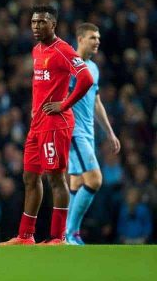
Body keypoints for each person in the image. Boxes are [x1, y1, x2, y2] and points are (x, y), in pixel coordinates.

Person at [0, 5, 94, 245]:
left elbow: (86, 78)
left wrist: (64, 104)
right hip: (37, 124)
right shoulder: (37, 50)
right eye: (33, 22)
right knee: (30, 178)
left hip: (56, 124)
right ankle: (25, 236)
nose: (36, 26)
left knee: (56, 179)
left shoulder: (63, 50)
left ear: (53, 24)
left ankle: (58, 238)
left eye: (41, 22)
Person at [65, 23, 121, 245]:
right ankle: (72, 232)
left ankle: (64, 234)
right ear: (80, 39)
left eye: (98, 37)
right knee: (95, 180)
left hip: (89, 133)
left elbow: (96, 102)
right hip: (75, 132)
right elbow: (59, 95)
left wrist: (109, 132)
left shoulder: (94, 68)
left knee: (78, 182)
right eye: (92, 37)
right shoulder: (70, 65)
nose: (97, 41)